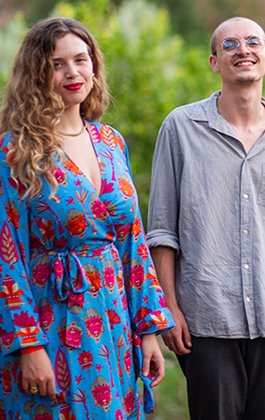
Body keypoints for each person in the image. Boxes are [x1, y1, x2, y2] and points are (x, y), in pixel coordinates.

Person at [146, 16, 265, 420]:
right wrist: (168, 307)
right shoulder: (181, 128)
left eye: (253, 42)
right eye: (230, 44)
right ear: (214, 62)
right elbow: (162, 231)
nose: (243, 50)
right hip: (207, 316)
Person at [0, 17, 174, 420]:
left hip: (113, 323)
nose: (72, 72)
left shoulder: (111, 142)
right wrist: (29, 345)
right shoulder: (14, 152)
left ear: (94, 66)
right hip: (49, 321)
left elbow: (133, 242)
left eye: (81, 60)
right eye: (57, 64)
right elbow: (7, 257)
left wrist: (148, 330)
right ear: (36, 74)